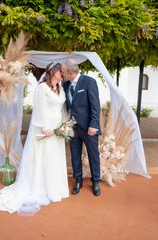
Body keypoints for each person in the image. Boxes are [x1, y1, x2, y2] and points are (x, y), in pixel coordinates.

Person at [0, 62, 69, 215]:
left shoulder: (61, 88)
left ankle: (55, 188)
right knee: (43, 158)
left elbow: (62, 109)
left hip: (57, 130)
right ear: (53, 72)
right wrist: (45, 128)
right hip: (45, 130)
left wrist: (64, 126)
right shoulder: (42, 89)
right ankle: (42, 187)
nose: (63, 74)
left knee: (54, 158)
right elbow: (38, 109)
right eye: (61, 72)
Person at [61, 59, 101, 196]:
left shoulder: (89, 82)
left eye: (63, 72)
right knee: (75, 155)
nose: (62, 74)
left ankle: (96, 181)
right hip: (73, 127)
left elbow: (95, 106)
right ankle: (78, 180)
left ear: (70, 72)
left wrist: (94, 125)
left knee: (93, 155)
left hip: (88, 128)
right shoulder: (65, 85)